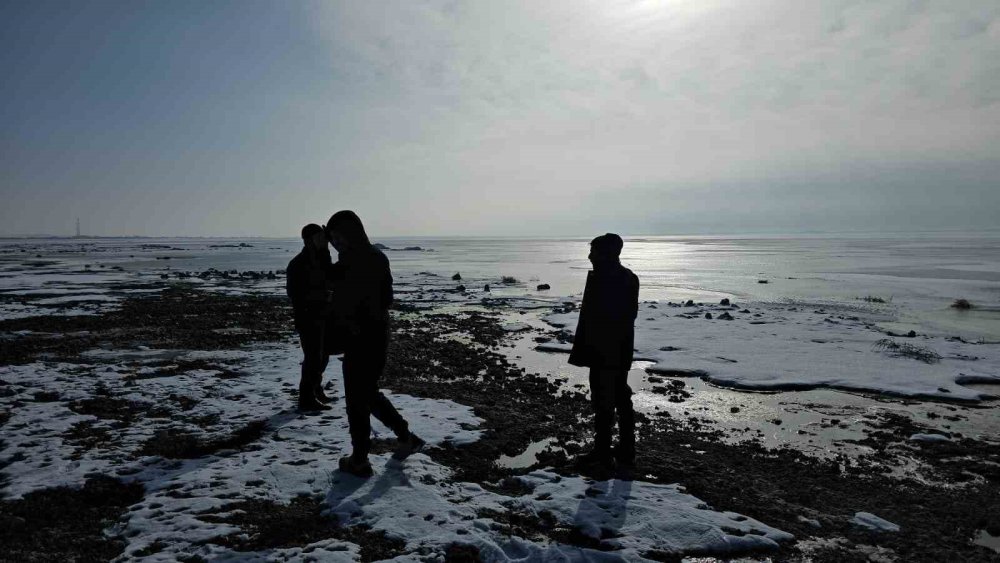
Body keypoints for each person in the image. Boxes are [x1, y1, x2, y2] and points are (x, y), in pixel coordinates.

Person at [325, 210, 424, 477]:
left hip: (360, 339)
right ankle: (405, 436)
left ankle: (360, 459)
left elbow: (329, 286)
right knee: (367, 394)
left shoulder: (349, 262)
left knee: (358, 400)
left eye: (337, 237)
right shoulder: (376, 257)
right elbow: (387, 298)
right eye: (332, 239)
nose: (336, 243)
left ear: (349, 234)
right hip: (377, 336)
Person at [569, 233, 640, 471]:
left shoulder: (609, 279)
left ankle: (604, 452)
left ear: (607, 253)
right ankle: (625, 450)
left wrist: (594, 346)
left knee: (604, 401)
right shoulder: (627, 277)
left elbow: (606, 318)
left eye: (594, 252)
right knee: (620, 397)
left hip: (605, 351)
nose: (590, 256)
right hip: (617, 350)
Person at [286, 223, 336, 412]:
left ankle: (315, 389)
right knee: (313, 358)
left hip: (324, 315)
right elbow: (294, 293)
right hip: (308, 317)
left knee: (322, 357)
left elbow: (330, 278)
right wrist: (322, 296)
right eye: (320, 238)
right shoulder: (298, 264)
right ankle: (306, 398)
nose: (324, 241)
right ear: (308, 241)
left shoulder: (321, 257)